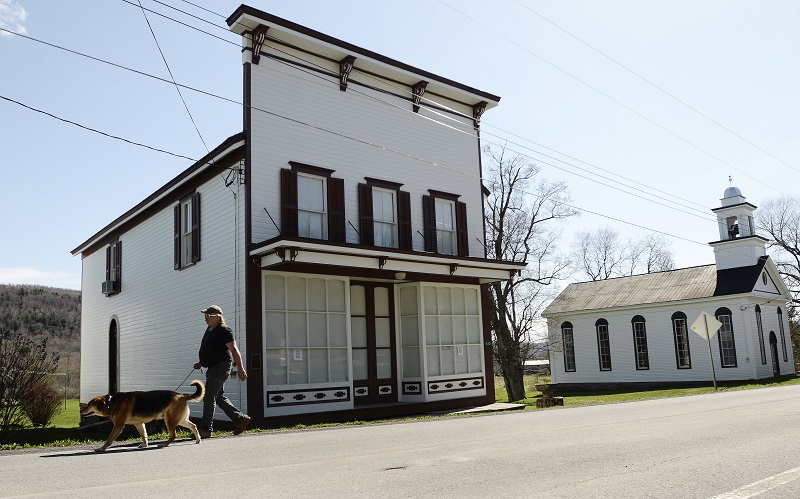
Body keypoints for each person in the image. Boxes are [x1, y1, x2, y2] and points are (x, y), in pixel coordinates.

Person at [194, 305, 250, 438]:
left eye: (209, 316)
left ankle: (205, 429)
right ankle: (240, 419)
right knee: (218, 397)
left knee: (208, 396)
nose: (206, 319)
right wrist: (201, 362)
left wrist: (241, 369)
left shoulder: (224, 330)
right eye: (205, 316)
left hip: (221, 367)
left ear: (218, 317)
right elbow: (211, 349)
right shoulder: (210, 329)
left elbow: (234, 350)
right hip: (213, 367)